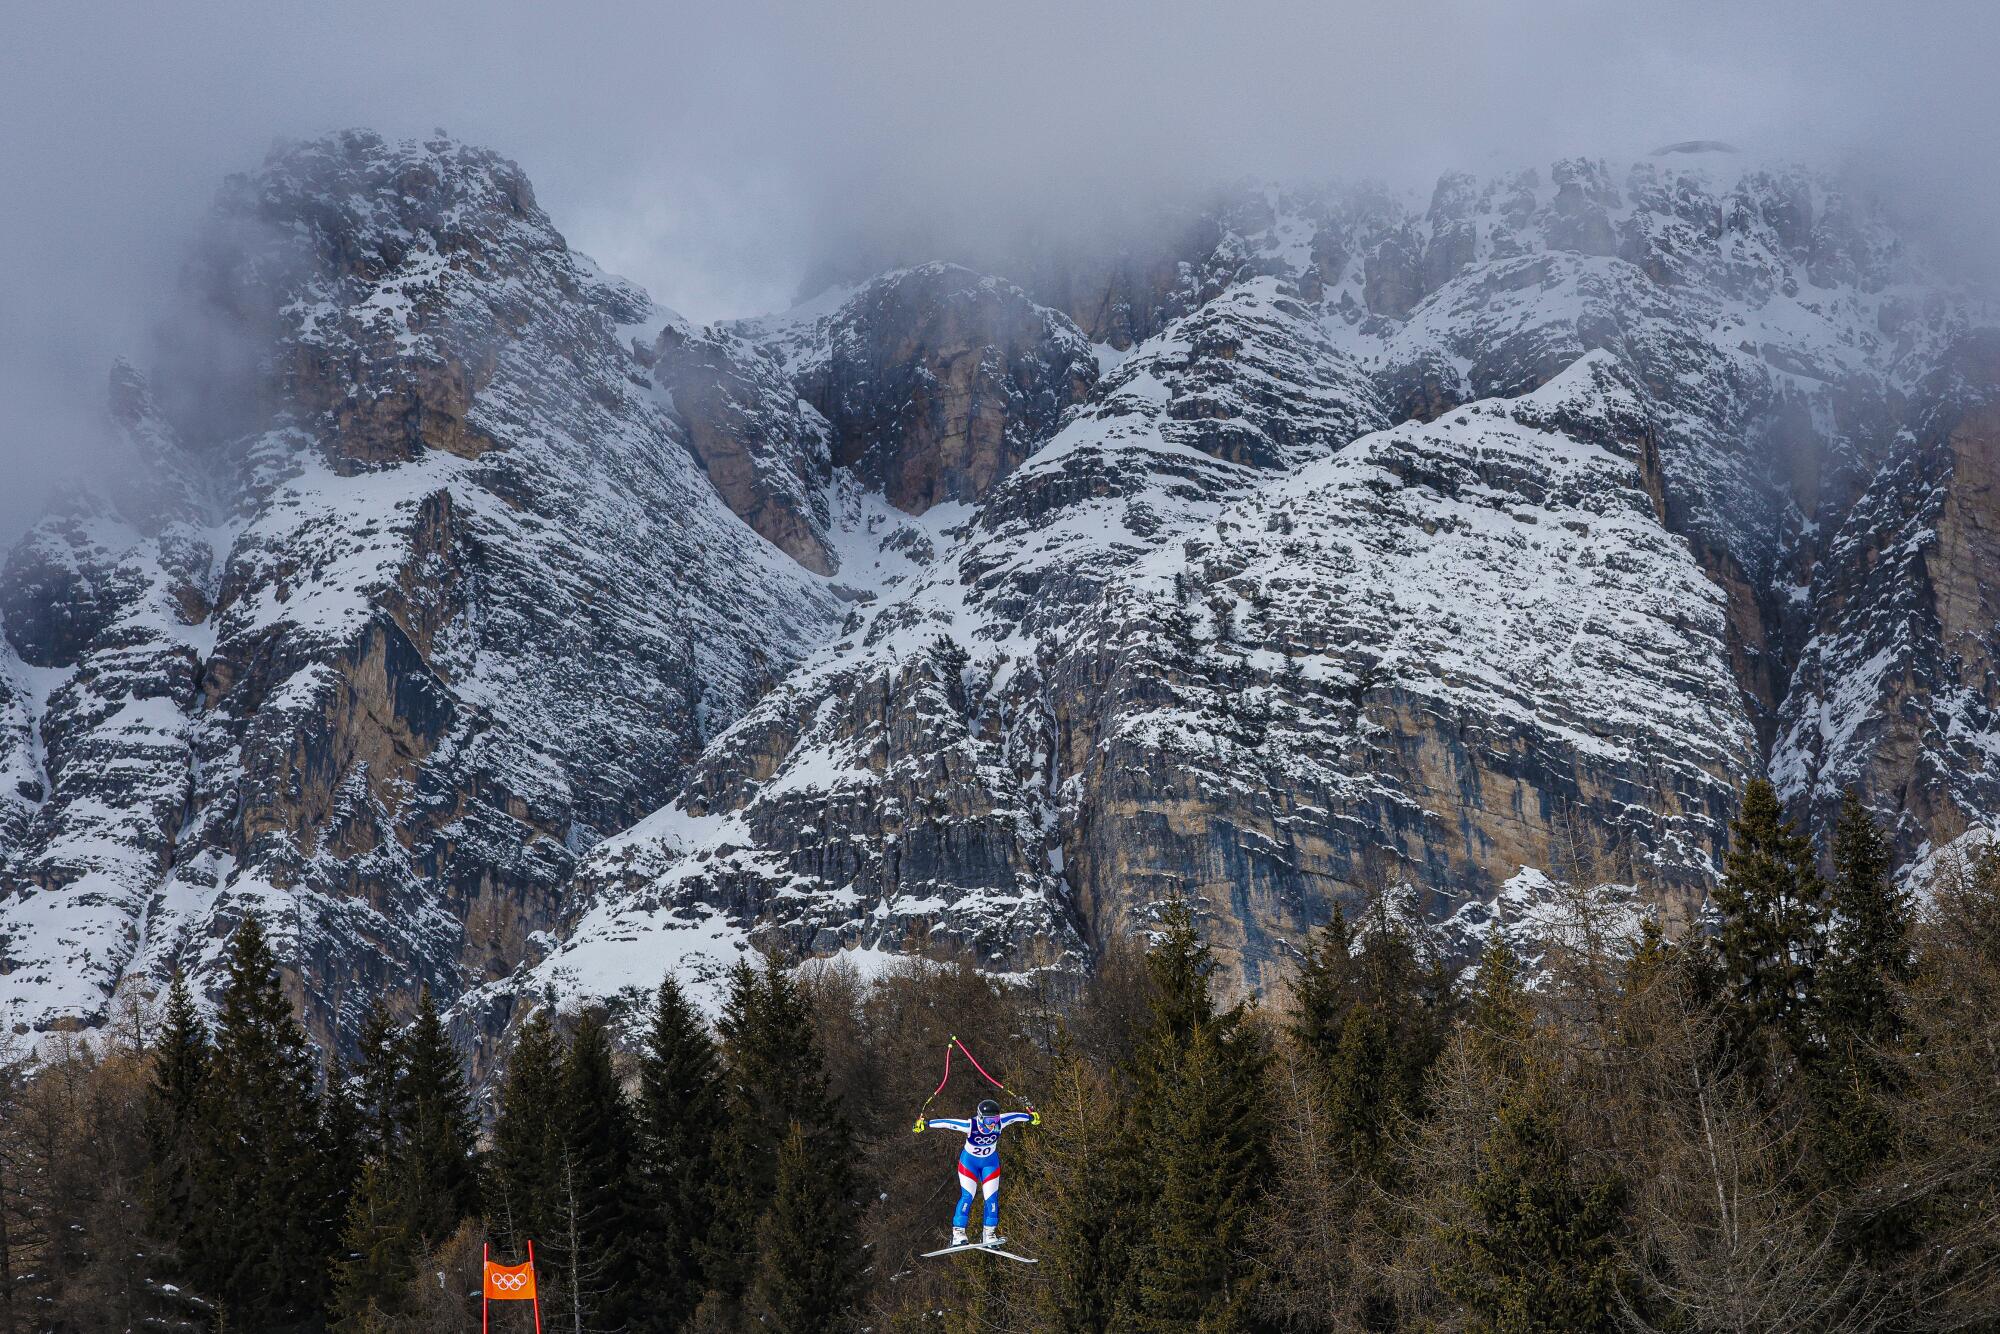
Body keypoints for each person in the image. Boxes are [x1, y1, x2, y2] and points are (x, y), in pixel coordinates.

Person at [915, 1097, 1040, 1245]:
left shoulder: (1000, 1122)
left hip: (990, 1164)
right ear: (981, 1118)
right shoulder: (971, 1125)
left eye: (995, 1119)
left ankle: (989, 1234)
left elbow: (1016, 1116)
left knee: (991, 1198)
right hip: (969, 1164)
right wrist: (925, 1123)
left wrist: (1031, 1116)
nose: (992, 1124)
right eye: (988, 1121)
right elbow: (948, 1123)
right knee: (968, 1195)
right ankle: (958, 1234)